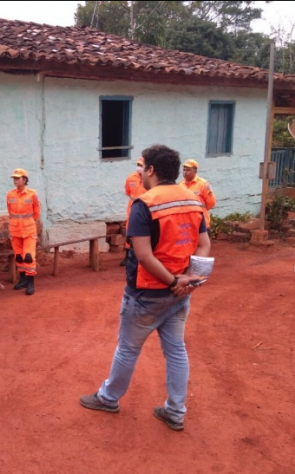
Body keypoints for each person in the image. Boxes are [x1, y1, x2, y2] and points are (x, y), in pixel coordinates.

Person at [79, 145, 211, 432]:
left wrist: (175, 282)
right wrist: (188, 280)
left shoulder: (145, 203)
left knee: (128, 349)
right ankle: (175, 411)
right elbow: (203, 244)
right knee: (176, 350)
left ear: (150, 170)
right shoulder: (192, 199)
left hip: (146, 293)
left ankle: (108, 398)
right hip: (179, 294)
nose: (140, 171)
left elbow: (144, 255)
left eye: (143, 166)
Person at [6, 168, 41, 295]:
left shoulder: (32, 194)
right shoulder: (10, 194)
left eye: (18, 178)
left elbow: (36, 212)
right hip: (15, 230)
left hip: (29, 230)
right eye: (14, 178)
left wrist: (28, 222)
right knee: (19, 256)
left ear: (24, 180)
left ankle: (31, 282)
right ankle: (23, 280)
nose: (15, 180)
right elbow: (10, 211)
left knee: (28, 256)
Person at [121, 156, 147, 266]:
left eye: (141, 165)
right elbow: (128, 192)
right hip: (132, 209)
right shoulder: (131, 178)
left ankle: (143, 257)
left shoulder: (149, 178)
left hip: (145, 209)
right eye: (138, 165)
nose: (139, 167)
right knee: (129, 232)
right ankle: (128, 256)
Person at [179, 159, 216, 230]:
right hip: (186, 225)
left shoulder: (203, 184)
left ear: (195, 171)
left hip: (201, 223)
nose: (185, 172)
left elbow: (211, 203)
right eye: (184, 170)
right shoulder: (180, 185)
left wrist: (200, 210)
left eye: (188, 170)